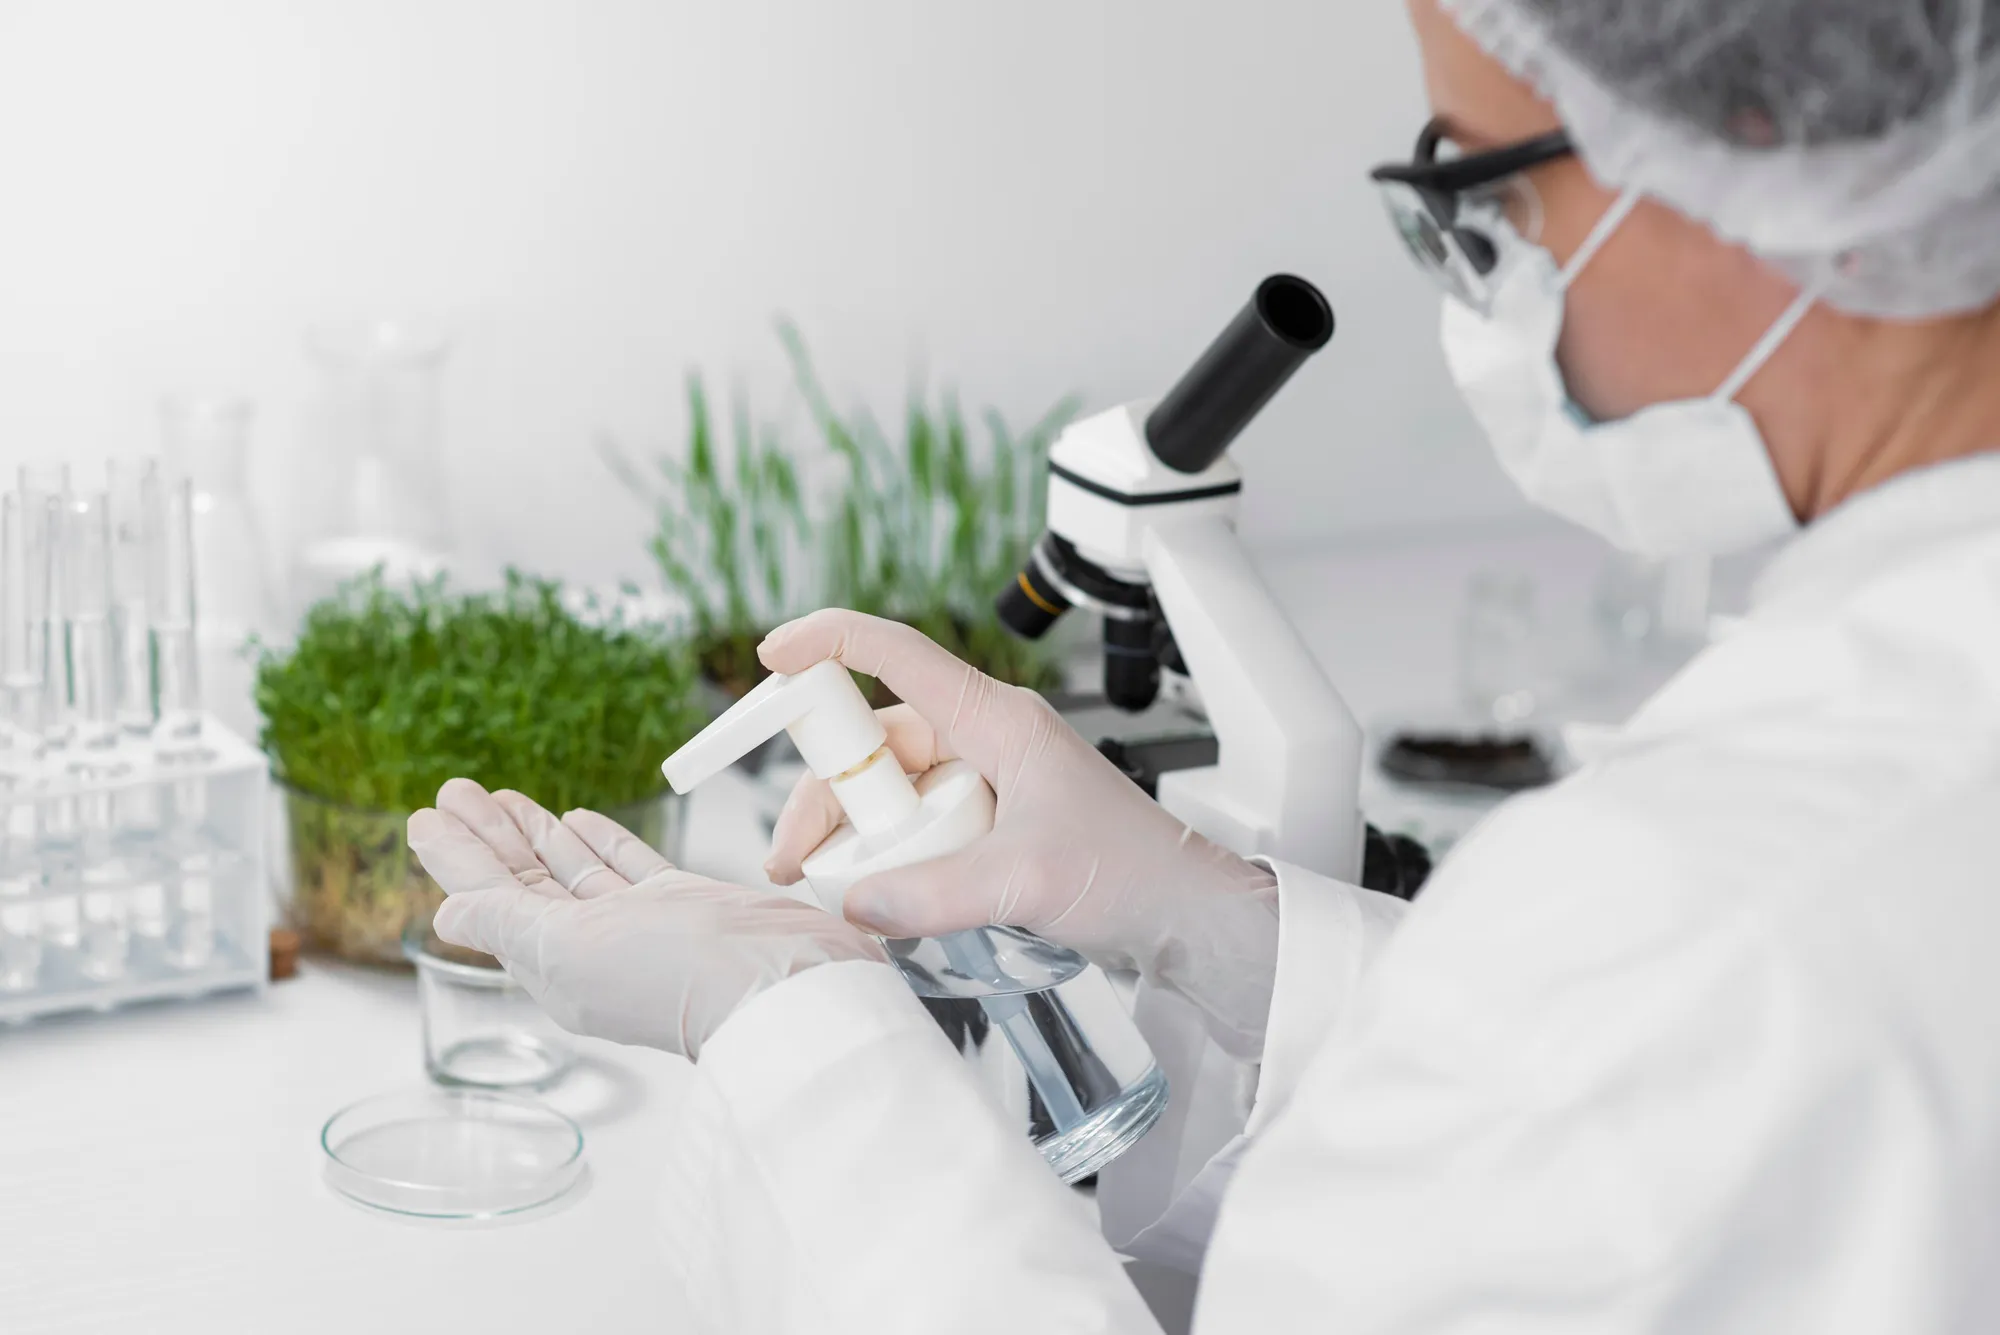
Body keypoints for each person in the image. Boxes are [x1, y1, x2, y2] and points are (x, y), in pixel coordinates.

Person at [407, 0, 2000, 1328]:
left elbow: (1617, 1045)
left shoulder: (1706, 911)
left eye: (1484, 198)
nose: (1480, 274)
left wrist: (791, 1031)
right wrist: (1205, 914)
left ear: (1766, 153)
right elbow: (1614, 1128)